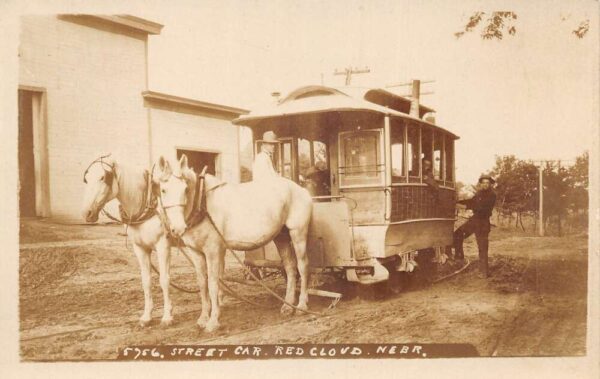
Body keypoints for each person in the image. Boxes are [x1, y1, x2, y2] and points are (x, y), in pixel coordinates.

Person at [453, 174, 497, 278]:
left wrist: (464, 207)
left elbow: (481, 207)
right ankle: (459, 258)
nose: (485, 185)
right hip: (475, 220)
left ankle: (484, 272)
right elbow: (472, 201)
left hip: (483, 222)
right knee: (457, 234)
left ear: (490, 184)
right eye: (483, 183)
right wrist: (458, 202)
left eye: (487, 183)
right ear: (480, 184)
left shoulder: (492, 195)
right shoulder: (479, 193)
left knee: (482, 247)